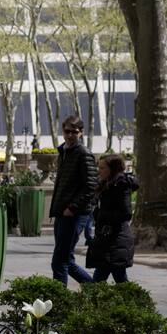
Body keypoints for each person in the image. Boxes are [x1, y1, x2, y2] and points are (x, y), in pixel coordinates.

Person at [49, 115, 98, 285]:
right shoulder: (64, 152)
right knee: (66, 260)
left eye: (74, 132)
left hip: (73, 214)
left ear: (81, 133)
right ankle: (95, 290)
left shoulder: (83, 154)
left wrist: (72, 208)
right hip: (62, 212)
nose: (70, 135)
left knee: (59, 262)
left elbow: (91, 186)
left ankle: (59, 302)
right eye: (67, 131)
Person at [86, 155, 138, 283]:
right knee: (115, 277)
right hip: (107, 239)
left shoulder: (121, 186)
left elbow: (126, 214)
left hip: (116, 238)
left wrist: (103, 215)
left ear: (112, 169)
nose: (99, 171)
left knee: (105, 277)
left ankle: (132, 300)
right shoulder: (105, 185)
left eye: (102, 168)